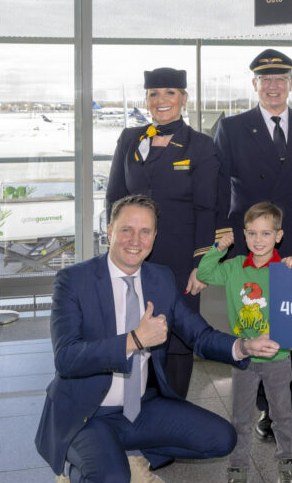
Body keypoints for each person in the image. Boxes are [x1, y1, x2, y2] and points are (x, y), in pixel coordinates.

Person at [35, 195, 279, 483]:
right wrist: (134, 340)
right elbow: (66, 359)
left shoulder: (160, 278)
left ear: (154, 237)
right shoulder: (73, 280)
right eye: (126, 230)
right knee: (113, 478)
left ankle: (119, 452)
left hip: (140, 408)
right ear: (110, 231)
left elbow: (199, 335)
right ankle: (82, 468)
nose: (135, 240)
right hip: (87, 413)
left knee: (222, 439)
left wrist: (242, 346)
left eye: (145, 231)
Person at [212, 49, 292, 445]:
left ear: (291, 84)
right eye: (265, 80)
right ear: (255, 85)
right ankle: (268, 409)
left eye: (280, 79)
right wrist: (221, 240)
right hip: (253, 249)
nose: (272, 86)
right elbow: (218, 189)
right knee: (257, 324)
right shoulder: (232, 128)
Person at [105, 67, 228, 399]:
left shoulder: (200, 146)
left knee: (176, 340)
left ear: (184, 98)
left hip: (179, 259)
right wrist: (114, 244)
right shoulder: (130, 139)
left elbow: (208, 208)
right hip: (133, 257)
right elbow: (115, 195)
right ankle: (135, 410)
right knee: (133, 333)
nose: (161, 100)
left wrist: (202, 265)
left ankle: (171, 416)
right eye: (154, 93)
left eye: (170, 93)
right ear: (146, 99)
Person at [195, 202, 292, 483]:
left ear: (278, 236)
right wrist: (219, 248)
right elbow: (205, 273)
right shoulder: (233, 268)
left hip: (278, 358)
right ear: (244, 235)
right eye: (253, 233)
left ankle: (287, 463)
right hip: (243, 359)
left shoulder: (286, 269)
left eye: (266, 234)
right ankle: (238, 466)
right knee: (241, 419)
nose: (258, 240)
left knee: (282, 416)